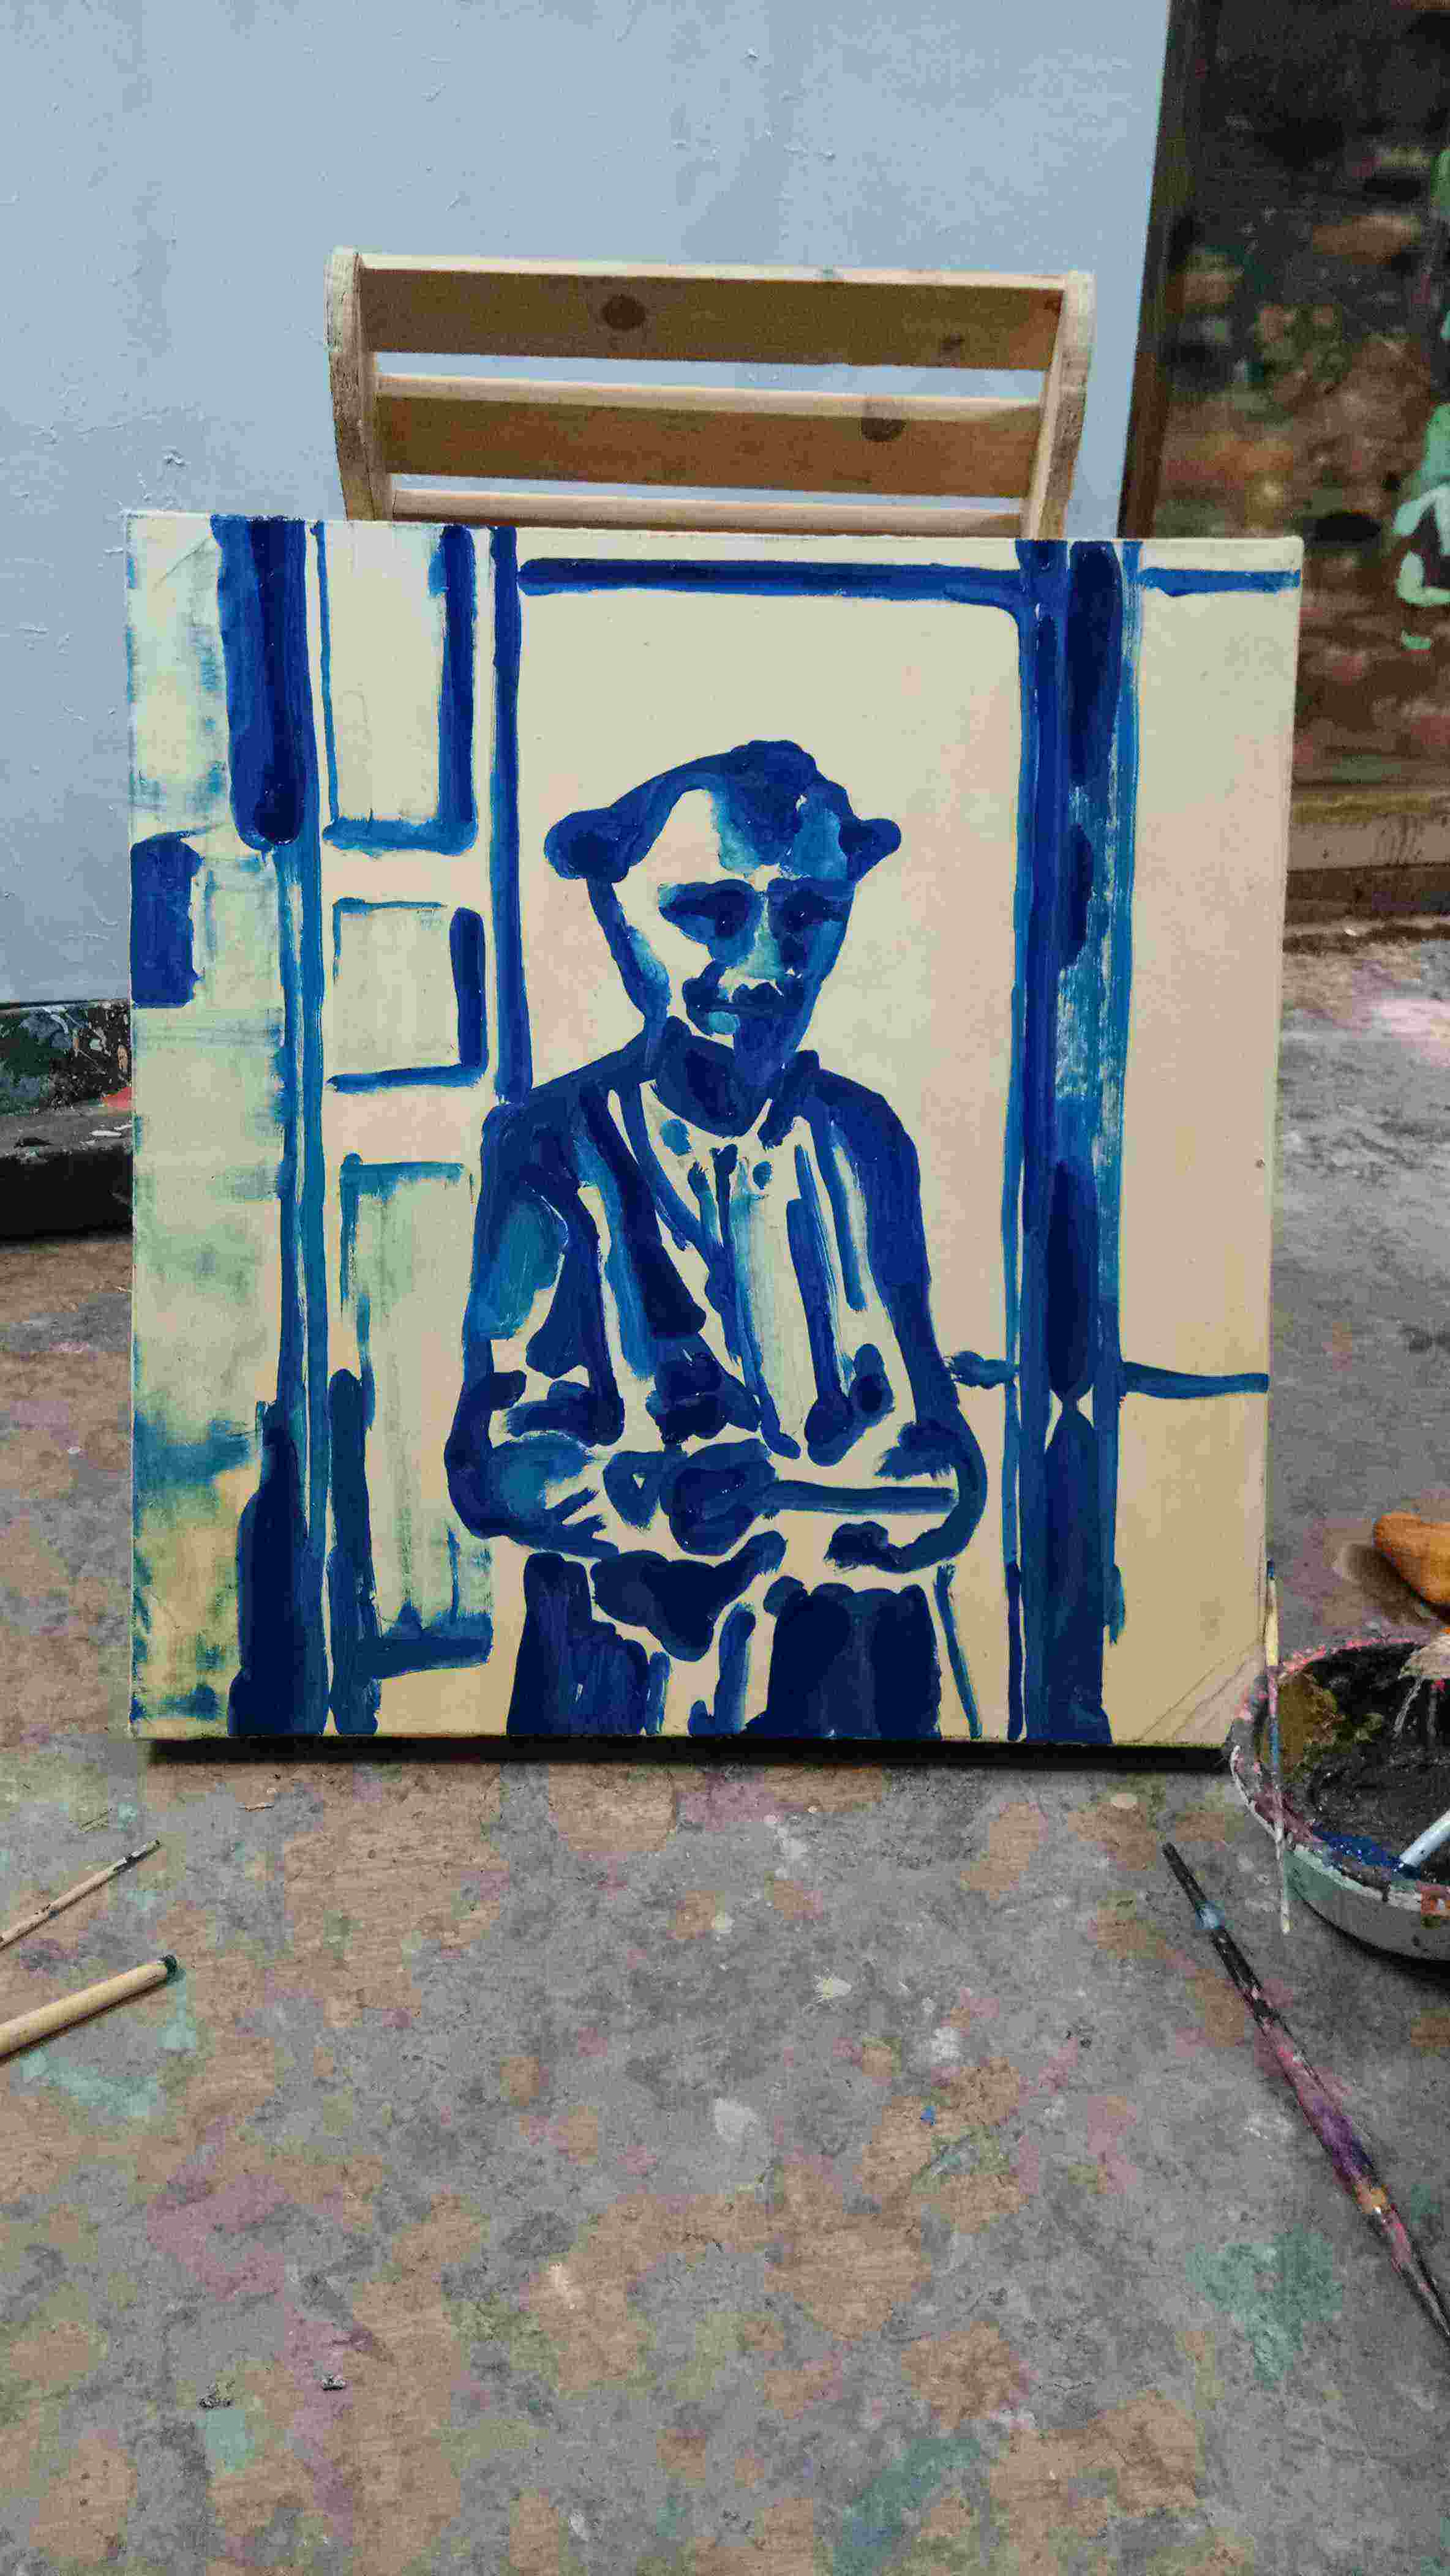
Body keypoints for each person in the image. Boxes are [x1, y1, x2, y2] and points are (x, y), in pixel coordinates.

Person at [445, 739, 986, 1738]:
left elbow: (943, 1461)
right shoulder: (550, 1145)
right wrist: (645, 1499)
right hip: (623, 1678)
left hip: (860, 1673)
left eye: (807, 915)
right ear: (617, 920)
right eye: (711, 913)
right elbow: (492, 1459)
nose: (768, 969)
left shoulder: (865, 1139)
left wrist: (830, 1489)